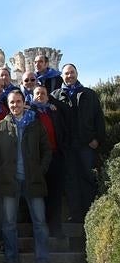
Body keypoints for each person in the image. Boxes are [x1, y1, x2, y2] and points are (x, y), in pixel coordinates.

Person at [0, 90, 53, 263]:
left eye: (18, 101)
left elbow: (47, 150)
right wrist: (1, 173)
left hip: (32, 180)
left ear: (24, 103)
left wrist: (40, 171)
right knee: (9, 223)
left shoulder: (35, 125)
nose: (15, 105)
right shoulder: (0, 127)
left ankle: (43, 262)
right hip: (10, 181)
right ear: (8, 104)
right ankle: (11, 261)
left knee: (40, 223)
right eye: (12, 102)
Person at [51, 64, 105, 223]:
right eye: (66, 73)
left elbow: (99, 119)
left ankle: (91, 215)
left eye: (71, 73)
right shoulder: (55, 95)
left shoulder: (89, 94)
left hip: (86, 145)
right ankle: (75, 215)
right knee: (70, 180)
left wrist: (97, 139)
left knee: (88, 177)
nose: (69, 76)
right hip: (66, 147)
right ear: (62, 76)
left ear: (77, 73)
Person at [31, 85, 67, 237]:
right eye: (37, 93)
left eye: (43, 93)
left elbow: (62, 131)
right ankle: (40, 227)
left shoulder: (54, 111)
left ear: (48, 96)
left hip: (55, 156)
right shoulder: (30, 113)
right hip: (38, 158)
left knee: (55, 192)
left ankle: (55, 227)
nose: (40, 96)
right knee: (39, 193)